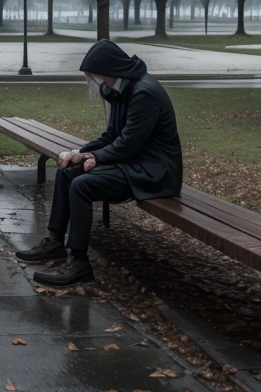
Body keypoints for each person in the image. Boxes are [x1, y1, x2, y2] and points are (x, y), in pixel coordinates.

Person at [15, 39, 182, 286]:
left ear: (109, 70)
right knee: (66, 172)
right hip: (132, 163)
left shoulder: (144, 93)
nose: (98, 82)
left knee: (82, 185)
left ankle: (79, 263)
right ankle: (54, 243)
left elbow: (127, 143)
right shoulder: (123, 88)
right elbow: (111, 136)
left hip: (153, 171)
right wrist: (79, 152)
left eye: (98, 76)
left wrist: (97, 157)